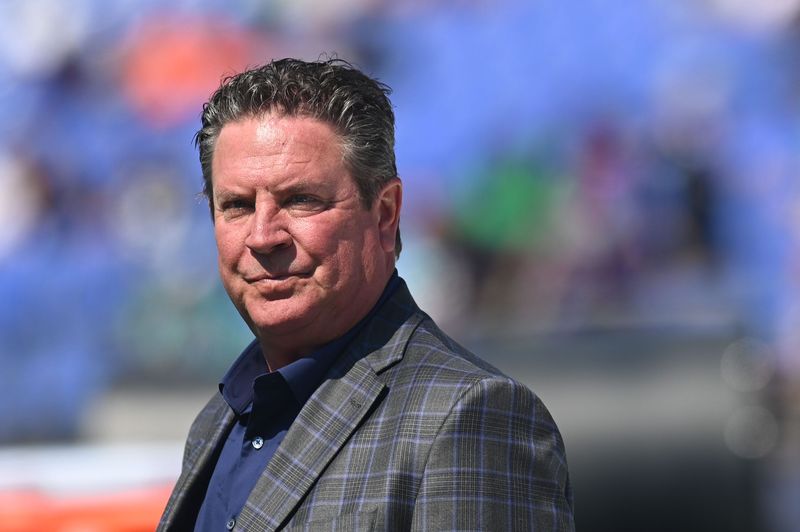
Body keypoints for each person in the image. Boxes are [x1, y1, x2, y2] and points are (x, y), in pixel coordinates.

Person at [158, 58, 574, 531]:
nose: (262, 236)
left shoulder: (467, 417)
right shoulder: (218, 422)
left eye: (301, 200)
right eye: (236, 205)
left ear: (385, 215)